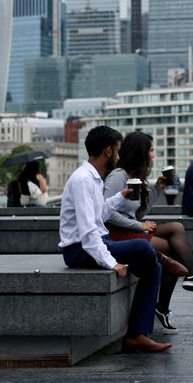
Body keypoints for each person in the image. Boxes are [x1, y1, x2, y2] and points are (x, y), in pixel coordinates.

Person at [59, 125, 170, 353]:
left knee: (153, 265)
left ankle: (137, 334)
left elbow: (99, 214)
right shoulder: (83, 180)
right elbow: (89, 232)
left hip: (92, 244)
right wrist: (111, 263)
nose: (119, 157)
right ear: (108, 151)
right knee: (143, 247)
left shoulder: (94, 178)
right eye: (118, 151)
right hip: (79, 250)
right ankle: (137, 334)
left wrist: (120, 197)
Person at [104, 132, 193, 335]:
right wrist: (138, 227)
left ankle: (191, 275)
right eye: (150, 150)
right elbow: (104, 213)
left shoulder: (134, 177)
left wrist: (158, 189)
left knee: (177, 228)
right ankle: (166, 304)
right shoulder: (118, 176)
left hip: (129, 228)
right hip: (116, 235)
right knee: (171, 251)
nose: (153, 155)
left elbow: (137, 212)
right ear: (139, 152)